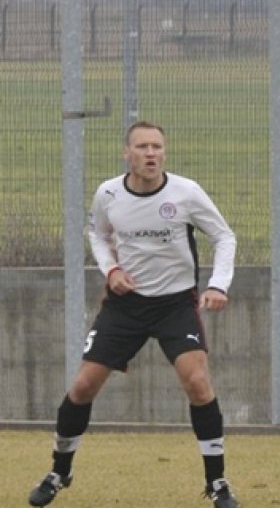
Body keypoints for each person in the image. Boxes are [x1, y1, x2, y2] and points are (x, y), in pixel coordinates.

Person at [28, 121, 240, 507]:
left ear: (165, 152)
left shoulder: (186, 192)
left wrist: (217, 284)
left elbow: (224, 236)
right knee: (82, 388)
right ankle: (59, 472)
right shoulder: (108, 193)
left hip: (176, 305)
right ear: (127, 153)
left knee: (198, 384)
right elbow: (98, 234)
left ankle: (218, 482)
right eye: (142, 147)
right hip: (125, 306)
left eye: (157, 146)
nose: (151, 154)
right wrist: (111, 270)